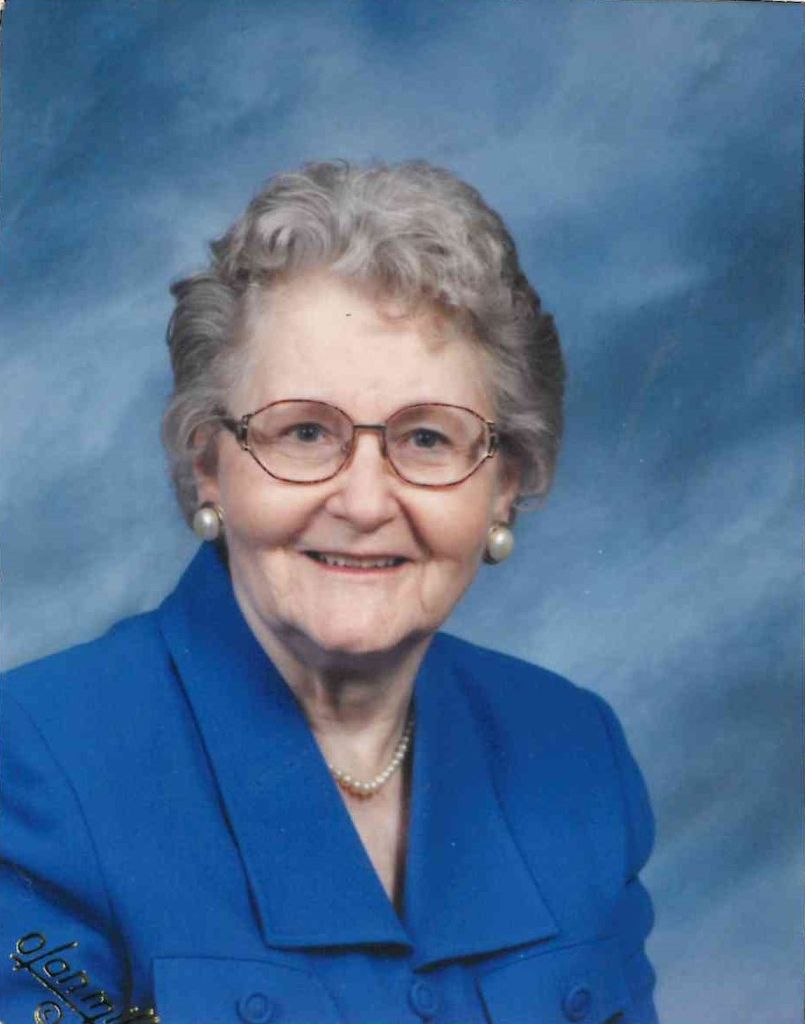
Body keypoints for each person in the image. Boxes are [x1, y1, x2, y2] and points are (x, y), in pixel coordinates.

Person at [0, 160, 657, 1024]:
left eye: (427, 438)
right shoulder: (33, 761)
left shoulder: (575, 753)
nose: (363, 502)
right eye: (305, 432)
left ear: (504, 486)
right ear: (208, 466)